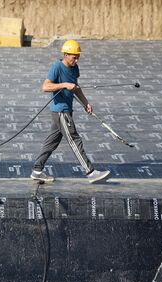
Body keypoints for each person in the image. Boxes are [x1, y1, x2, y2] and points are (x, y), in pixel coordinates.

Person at [31, 39, 110, 184]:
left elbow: (76, 87)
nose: (76, 59)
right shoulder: (57, 67)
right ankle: (90, 172)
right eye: (74, 56)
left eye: (78, 56)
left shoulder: (75, 68)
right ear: (66, 54)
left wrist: (85, 103)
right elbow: (45, 87)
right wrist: (64, 85)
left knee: (51, 142)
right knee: (74, 139)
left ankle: (37, 170)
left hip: (68, 109)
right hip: (60, 111)